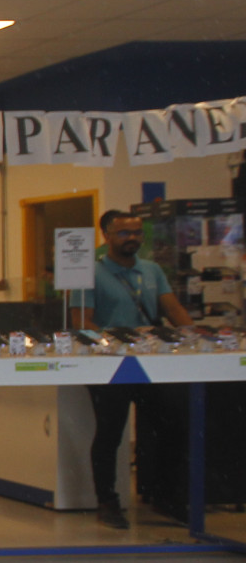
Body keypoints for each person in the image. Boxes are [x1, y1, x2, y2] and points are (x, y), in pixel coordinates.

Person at [85, 210, 192, 530]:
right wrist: (114, 339)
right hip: (111, 366)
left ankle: (164, 497)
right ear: (107, 236)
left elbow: (173, 309)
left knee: (171, 426)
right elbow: (83, 322)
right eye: (123, 233)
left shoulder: (152, 269)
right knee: (110, 433)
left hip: (149, 364)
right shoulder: (91, 272)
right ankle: (107, 502)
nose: (132, 238)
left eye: (136, 233)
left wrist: (194, 336)